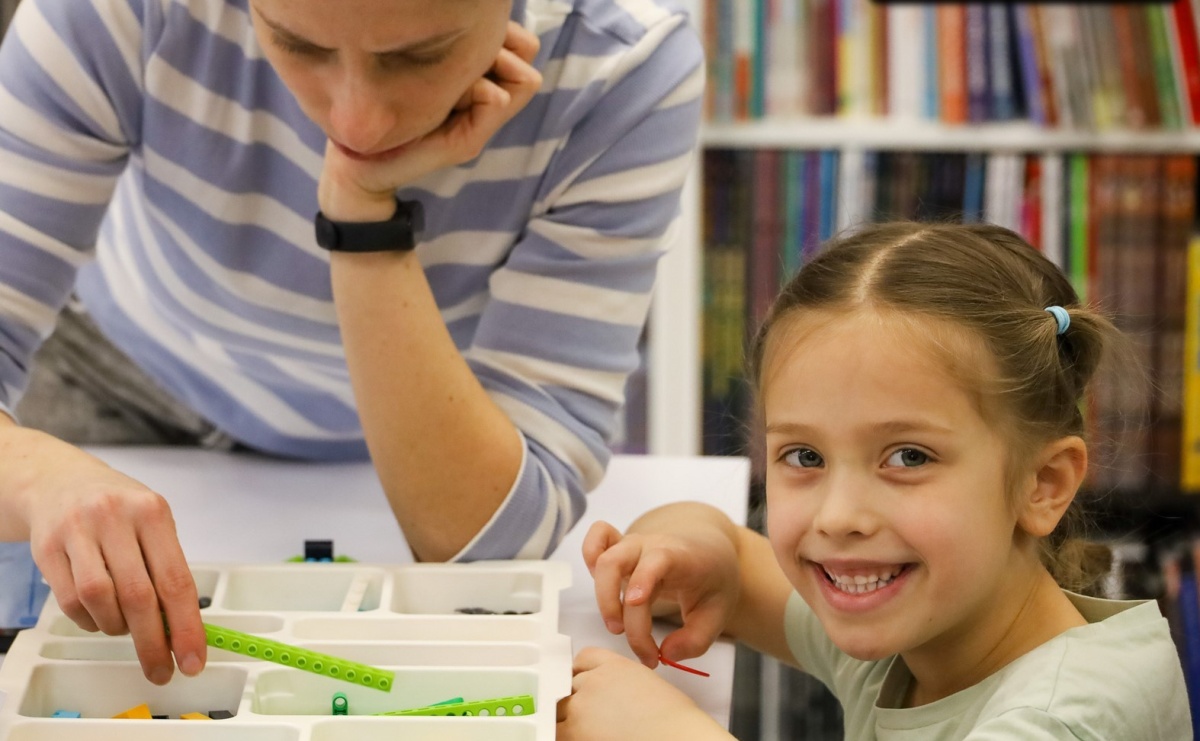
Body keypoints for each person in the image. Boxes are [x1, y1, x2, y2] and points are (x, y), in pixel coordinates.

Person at [0, 0, 703, 685]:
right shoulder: (110, 9)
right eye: (297, 43)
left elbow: (492, 544)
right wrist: (38, 475)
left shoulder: (625, 65)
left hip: (407, 440)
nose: (355, 120)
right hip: (118, 377)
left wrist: (361, 211)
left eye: (419, 53)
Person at [557, 222, 1192, 740]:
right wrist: (690, 550)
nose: (838, 517)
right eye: (805, 457)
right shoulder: (925, 621)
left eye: (909, 457)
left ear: (1043, 484)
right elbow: (735, 563)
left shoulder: (1063, 719)